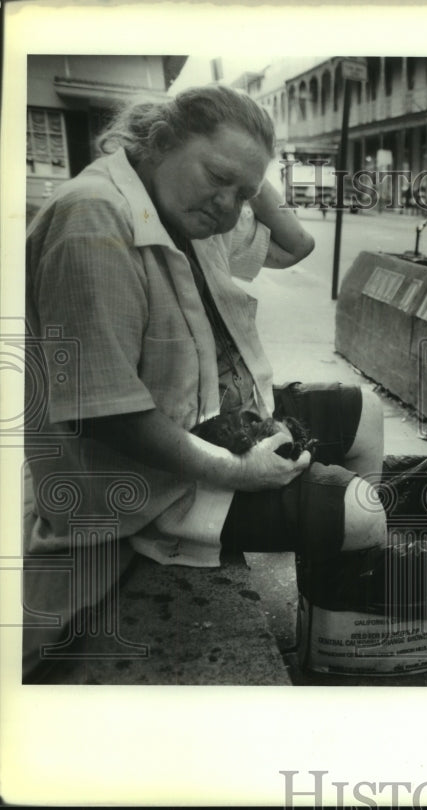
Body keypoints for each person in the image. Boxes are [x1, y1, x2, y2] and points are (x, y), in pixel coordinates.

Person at [22, 84, 387, 679]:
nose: (227, 204)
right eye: (216, 175)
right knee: (366, 513)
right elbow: (105, 412)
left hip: (221, 412)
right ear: (160, 140)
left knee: (367, 413)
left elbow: (297, 244)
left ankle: (326, 624)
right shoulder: (94, 216)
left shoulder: (190, 212)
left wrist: (243, 173)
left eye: (242, 194)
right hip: (151, 477)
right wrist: (236, 472)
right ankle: (337, 657)